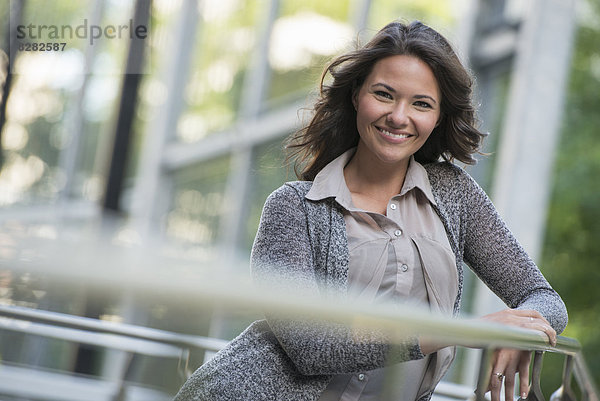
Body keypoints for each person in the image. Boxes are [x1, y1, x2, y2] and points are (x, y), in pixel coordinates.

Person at [174, 20, 567, 401]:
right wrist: (463, 330)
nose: (399, 116)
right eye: (384, 94)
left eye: (421, 103)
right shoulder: (293, 208)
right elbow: (312, 346)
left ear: (438, 116)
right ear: (356, 95)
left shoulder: (453, 194)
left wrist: (522, 331)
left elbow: (542, 297)